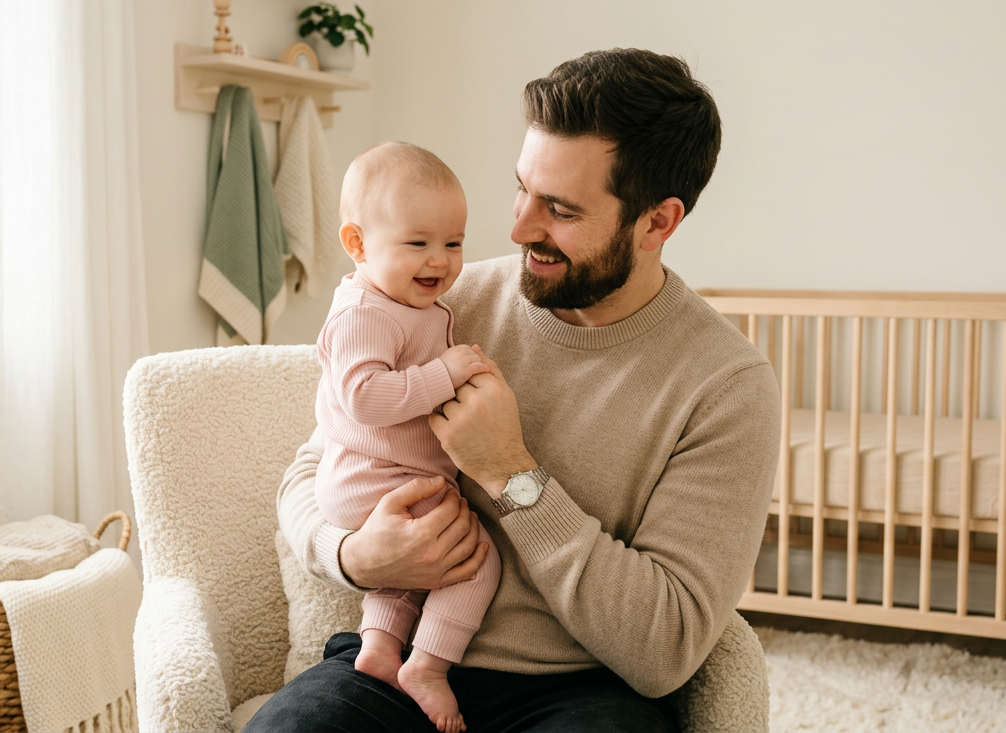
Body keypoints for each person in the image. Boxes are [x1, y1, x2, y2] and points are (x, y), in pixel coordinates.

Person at [249, 48, 781, 733]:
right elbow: (312, 465)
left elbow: (666, 647)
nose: (519, 227)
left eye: (558, 208)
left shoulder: (725, 387)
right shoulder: (440, 296)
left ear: (657, 222)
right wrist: (354, 554)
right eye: (522, 188)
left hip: (575, 690)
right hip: (392, 657)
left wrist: (510, 471)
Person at [313, 141, 501, 733]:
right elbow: (365, 399)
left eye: (454, 243)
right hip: (372, 479)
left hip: (383, 477)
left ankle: (379, 648)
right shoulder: (364, 314)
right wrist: (445, 374)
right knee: (473, 559)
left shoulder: (409, 303)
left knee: (412, 570)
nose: (440, 261)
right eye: (417, 243)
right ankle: (428, 664)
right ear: (358, 243)